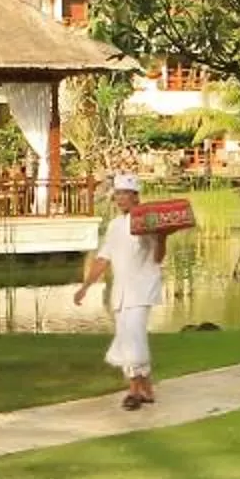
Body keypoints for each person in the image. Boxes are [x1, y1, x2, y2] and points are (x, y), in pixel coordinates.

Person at [75, 172, 168, 409]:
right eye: (117, 194)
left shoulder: (146, 220)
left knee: (134, 336)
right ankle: (146, 388)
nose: (120, 198)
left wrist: (161, 239)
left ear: (135, 197)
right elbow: (103, 258)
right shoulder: (115, 226)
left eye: (125, 194)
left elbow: (157, 257)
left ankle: (134, 391)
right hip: (120, 292)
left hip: (142, 289)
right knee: (126, 336)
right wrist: (85, 287)